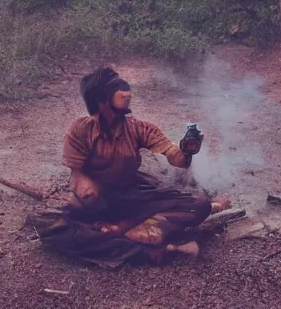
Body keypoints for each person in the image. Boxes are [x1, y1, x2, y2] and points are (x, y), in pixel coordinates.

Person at [29, 66, 230, 268]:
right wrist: (87, 190)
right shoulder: (80, 129)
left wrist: (187, 151)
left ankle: (120, 230)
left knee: (200, 204)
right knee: (45, 220)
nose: (126, 94)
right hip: (96, 200)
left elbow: (175, 158)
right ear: (100, 99)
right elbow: (77, 174)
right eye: (115, 88)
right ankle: (144, 250)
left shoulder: (139, 128)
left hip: (133, 194)